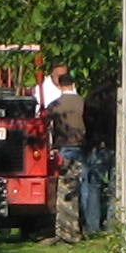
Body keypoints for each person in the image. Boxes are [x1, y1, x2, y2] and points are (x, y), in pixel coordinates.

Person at [47, 69, 87, 243]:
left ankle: (67, 229)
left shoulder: (55, 105)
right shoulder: (83, 103)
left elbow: (46, 126)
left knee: (66, 189)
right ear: (74, 84)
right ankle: (87, 225)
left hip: (64, 148)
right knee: (85, 187)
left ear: (59, 85)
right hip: (83, 146)